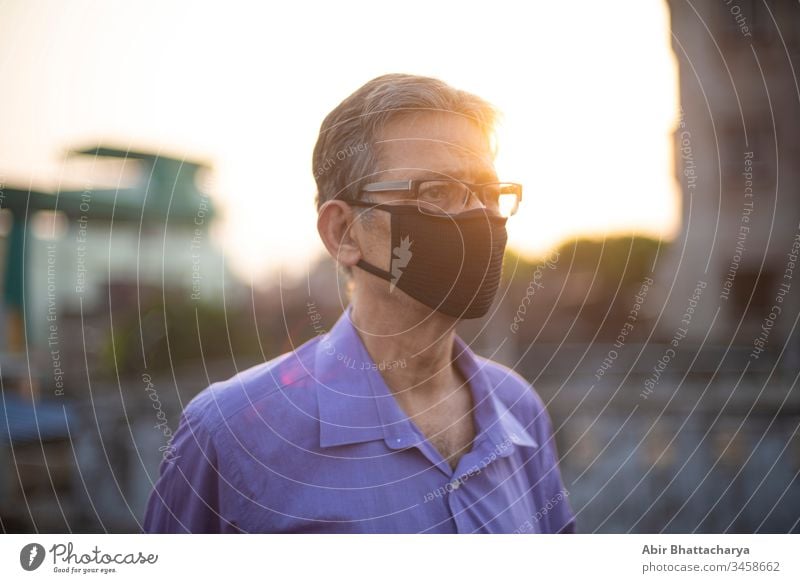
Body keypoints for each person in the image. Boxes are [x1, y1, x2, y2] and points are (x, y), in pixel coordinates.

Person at [143, 73, 576, 533]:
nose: (479, 217)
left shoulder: (518, 409)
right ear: (343, 233)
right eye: (436, 193)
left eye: (490, 195)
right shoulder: (231, 436)